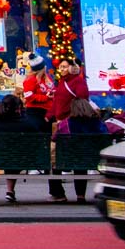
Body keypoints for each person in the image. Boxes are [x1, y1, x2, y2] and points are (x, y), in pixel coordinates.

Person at [0, 90, 44, 203]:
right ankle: (10, 191)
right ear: (18, 108)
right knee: (14, 155)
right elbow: (39, 141)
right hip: (22, 158)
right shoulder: (27, 124)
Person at [45, 58, 90, 202]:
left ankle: (76, 194)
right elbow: (57, 102)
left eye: (65, 66)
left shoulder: (77, 81)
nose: (62, 69)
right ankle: (63, 194)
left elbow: (82, 101)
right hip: (61, 123)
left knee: (57, 157)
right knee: (71, 159)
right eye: (60, 67)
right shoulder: (62, 82)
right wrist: (49, 115)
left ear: (72, 67)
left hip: (70, 124)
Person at [53, 94, 105, 204]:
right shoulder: (98, 123)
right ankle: (80, 195)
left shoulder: (66, 123)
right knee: (81, 166)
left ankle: (59, 194)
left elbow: (55, 138)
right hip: (94, 159)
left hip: (70, 158)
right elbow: (105, 137)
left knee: (54, 165)